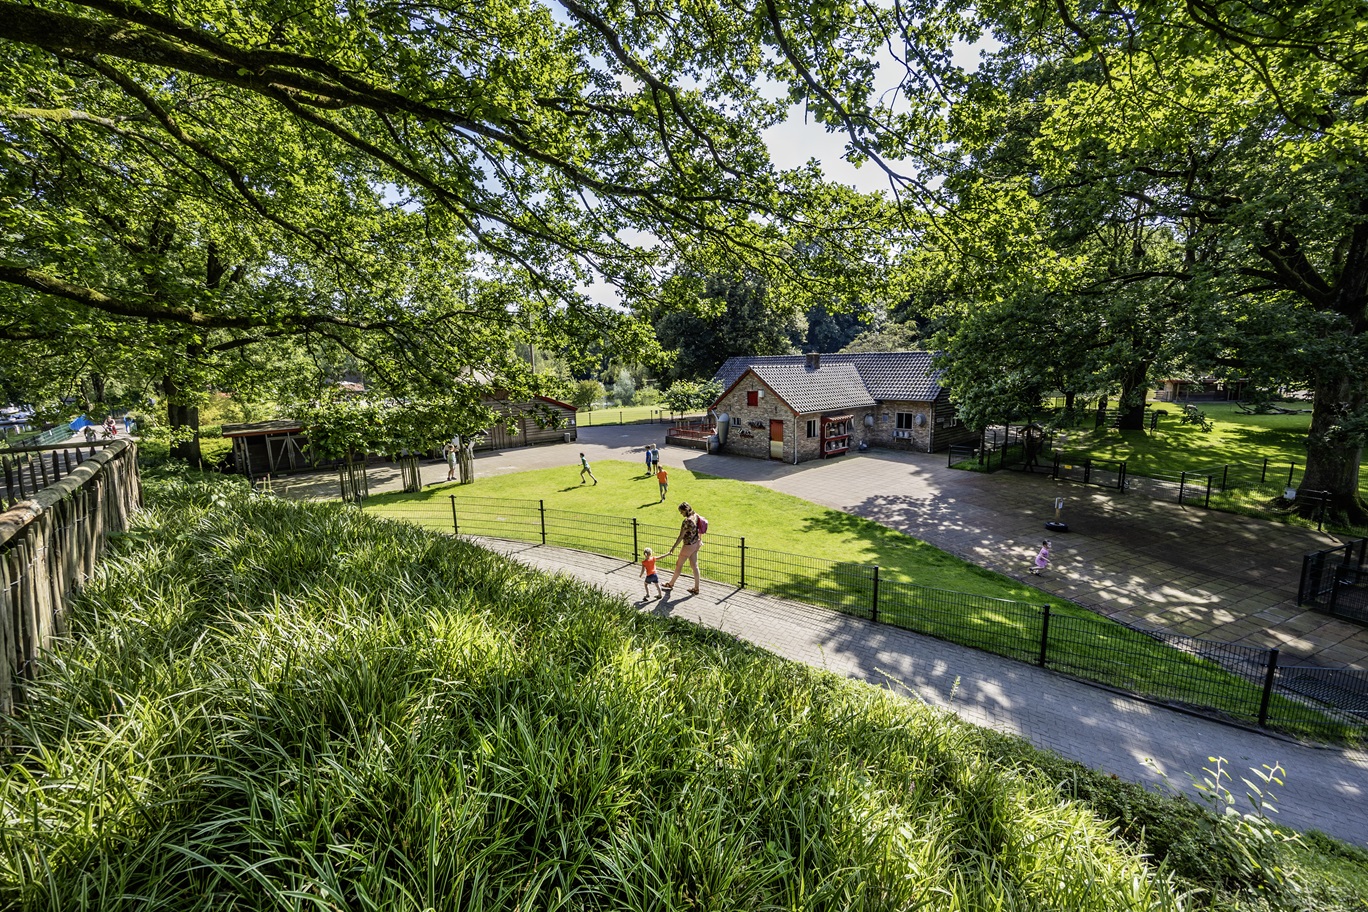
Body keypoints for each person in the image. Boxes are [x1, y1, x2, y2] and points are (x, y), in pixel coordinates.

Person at [663, 501, 703, 594]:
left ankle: (671, 584)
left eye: (681, 512)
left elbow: (681, 536)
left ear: (685, 510)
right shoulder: (695, 516)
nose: (681, 514)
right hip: (696, 543)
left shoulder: (687, 521)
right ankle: (696, 588)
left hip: (688, 546)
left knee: (679, 565)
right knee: (694, 566)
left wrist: (673, 548)